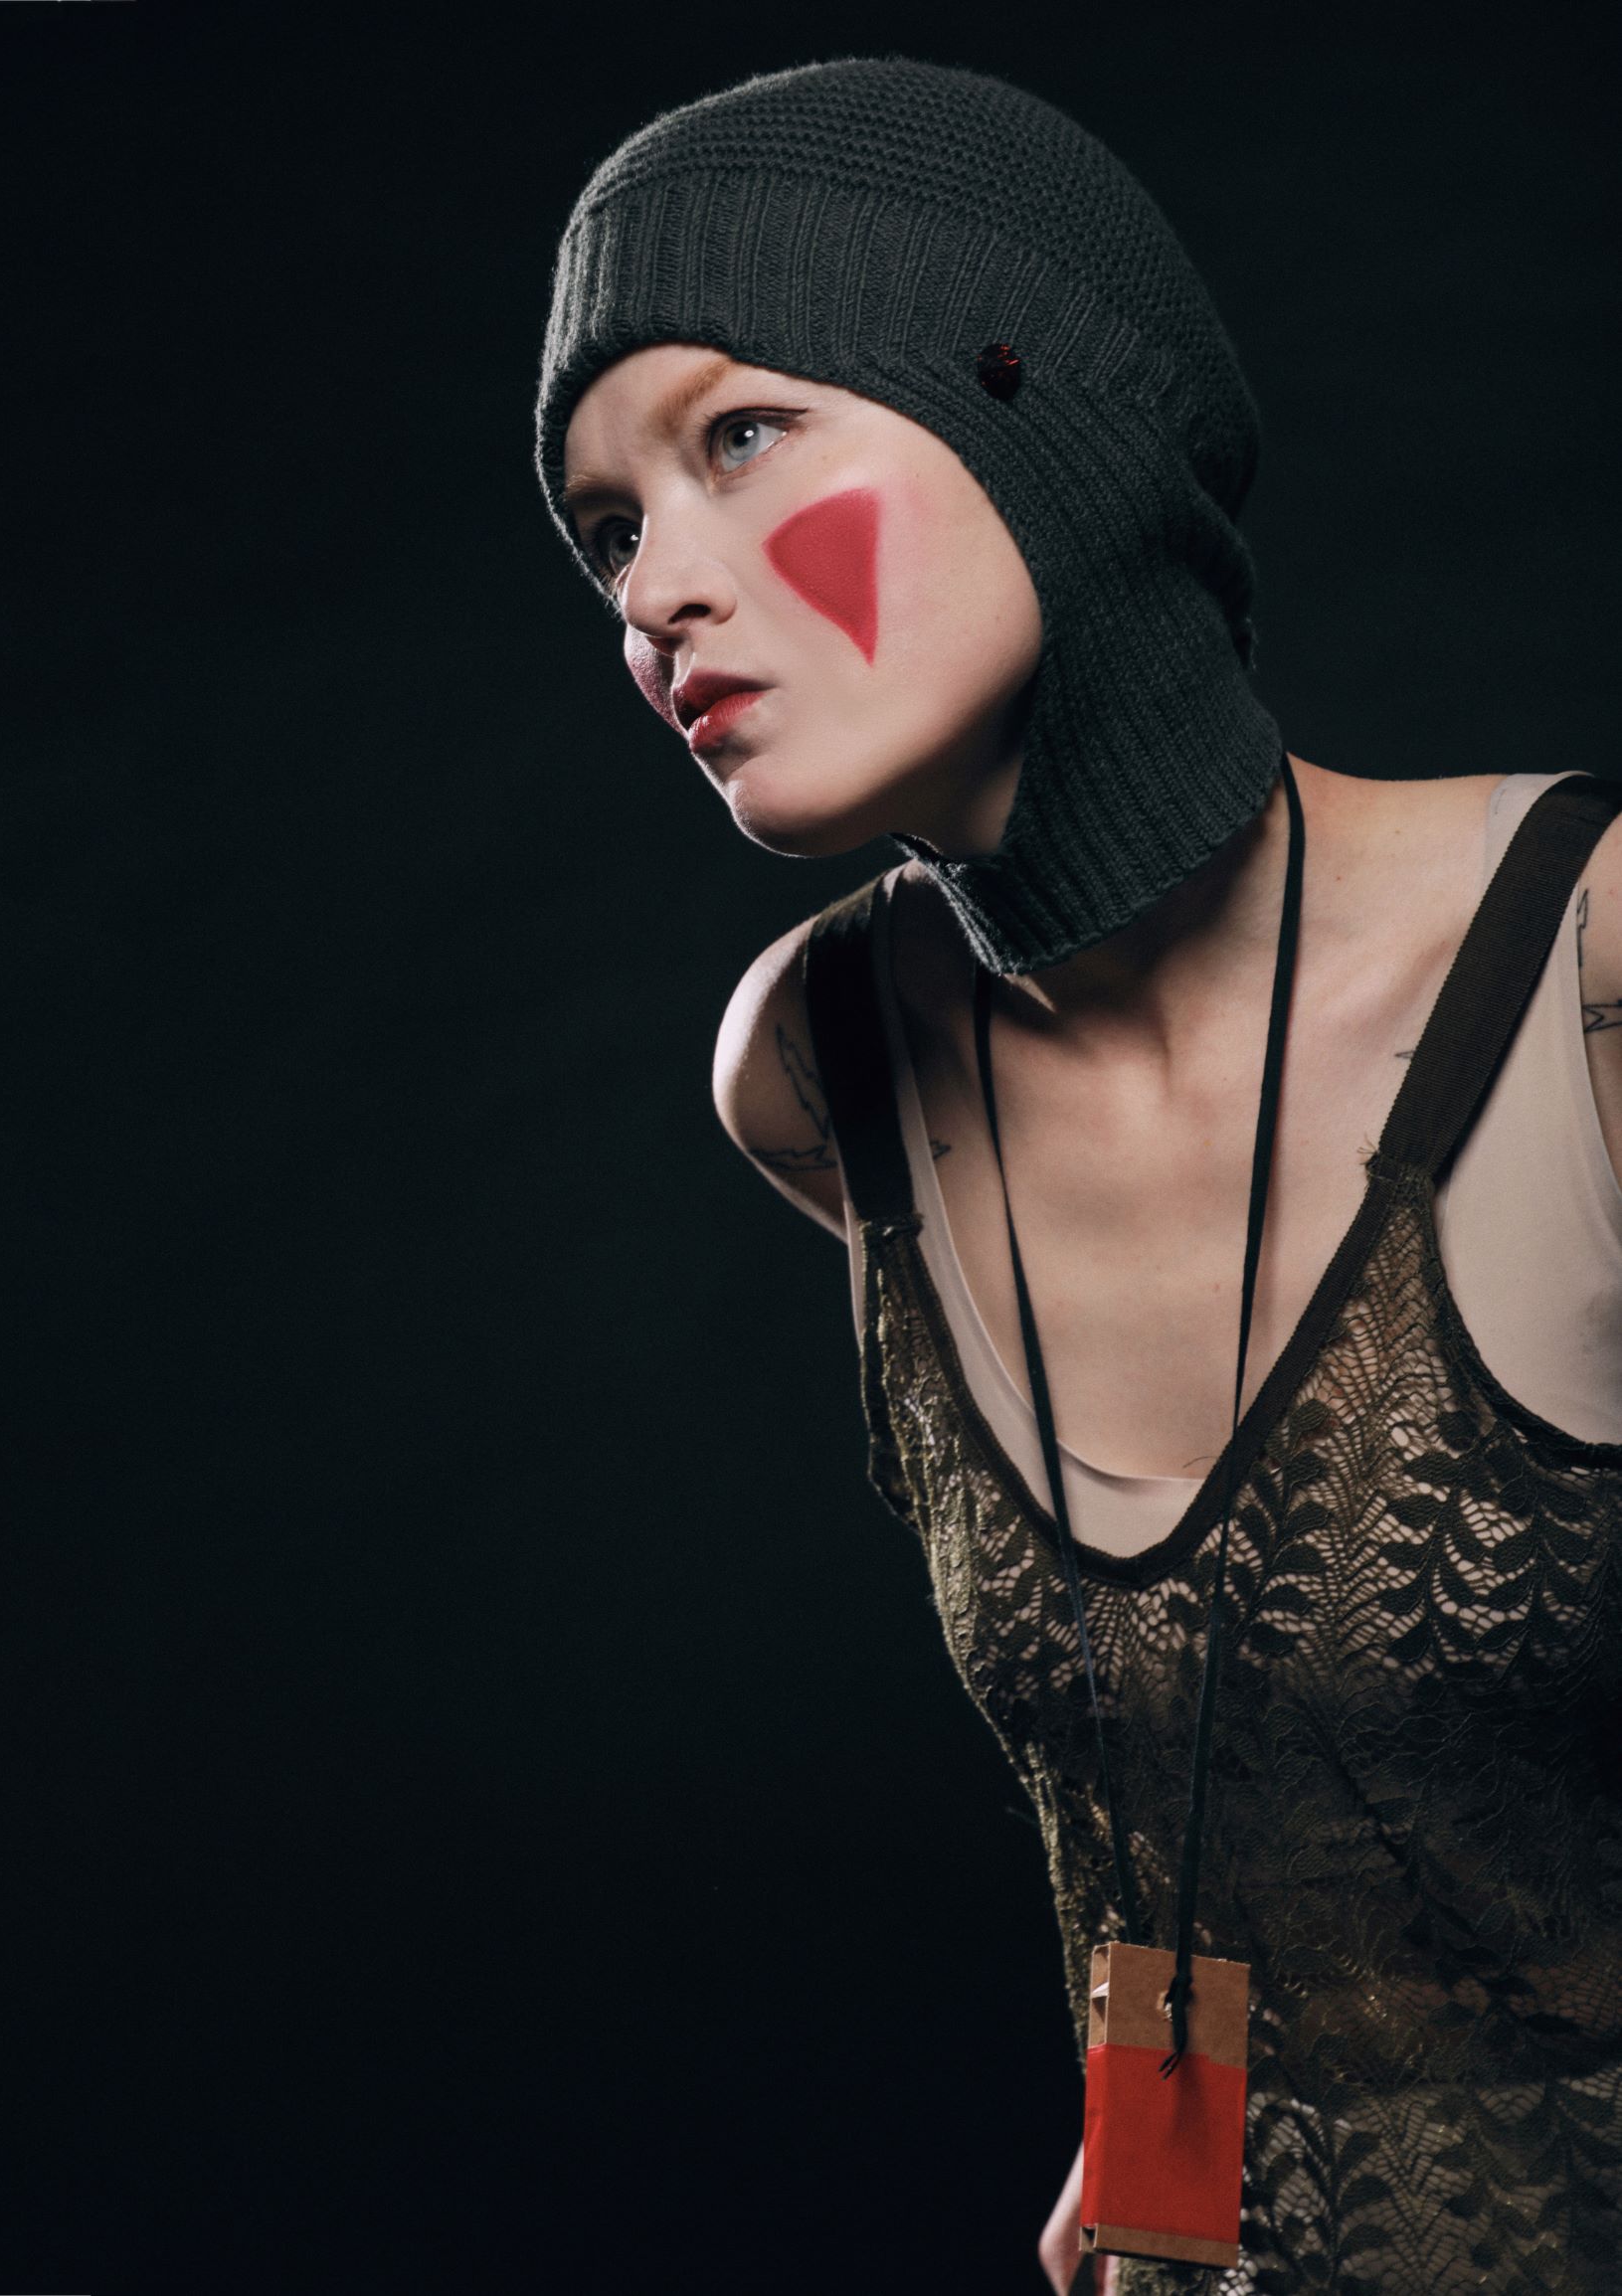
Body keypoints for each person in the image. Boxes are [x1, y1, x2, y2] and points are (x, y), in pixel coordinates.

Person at [535, 57, 1622, 2294]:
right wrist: (1179, 2150)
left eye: (740, 437)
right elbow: (1206, 1775)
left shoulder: (1588, 973)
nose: (658, 596)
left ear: (1040, 399)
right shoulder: (815, 1068)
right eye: (609, 527)